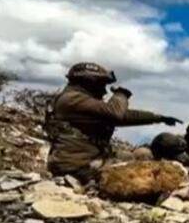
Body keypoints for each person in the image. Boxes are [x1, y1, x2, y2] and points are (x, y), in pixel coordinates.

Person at [45, 62, 181, 182]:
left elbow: (123, 116)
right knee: (146, 169)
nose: (104, 91)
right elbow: (115, 113)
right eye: (101, 85)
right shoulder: (72, 99)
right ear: (89, 82)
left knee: (132, 156)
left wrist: (158, 118)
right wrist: (121, 94)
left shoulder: (75, 99)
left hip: (78, 162)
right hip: (78, 166)